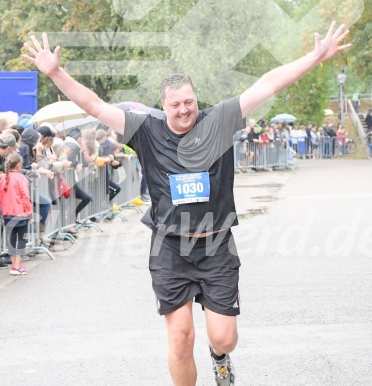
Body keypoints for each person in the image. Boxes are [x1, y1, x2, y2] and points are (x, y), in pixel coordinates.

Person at [23, 22, 350, 386]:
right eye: (176, 104)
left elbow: (268, 83)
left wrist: (314, 56)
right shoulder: (144, 129)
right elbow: (95, 105)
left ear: (197, 100)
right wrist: (56, 73)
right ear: (163, 105)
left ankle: (220, 357)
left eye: (190, 102)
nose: (184, 110)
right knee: (180, 338)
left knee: (223, 336)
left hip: (216, 244)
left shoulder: (220, 120)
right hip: (170, 247)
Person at [0, 153, 33, 275]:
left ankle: (14, 265)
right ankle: (17, 266)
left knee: (12, 240)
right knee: (22, 239)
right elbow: (25, 196)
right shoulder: (21, 178)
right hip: (20, 213)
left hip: (7, 213)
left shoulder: (3, 178)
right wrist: (29, 213)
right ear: (19, 165)